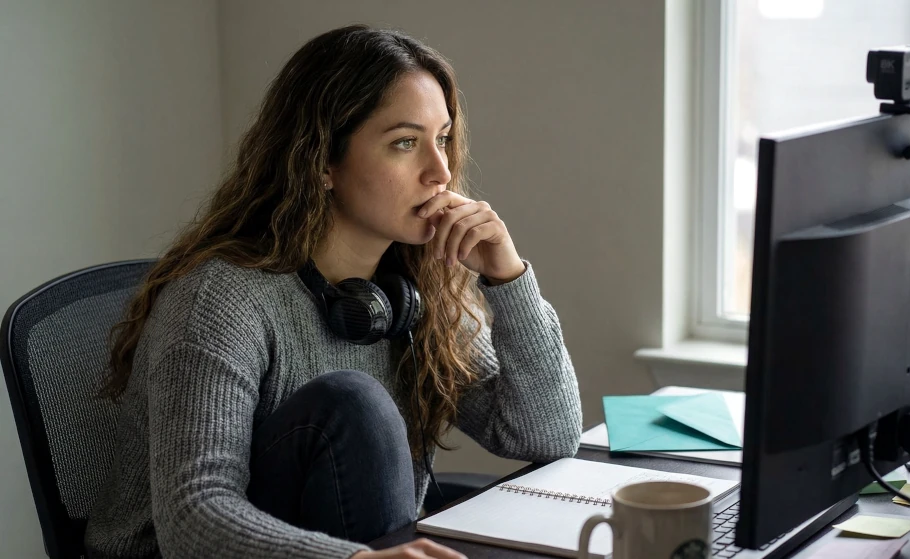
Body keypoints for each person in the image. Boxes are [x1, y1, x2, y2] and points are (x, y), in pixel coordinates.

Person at [83, 24, 582, 559]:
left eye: (443, 139)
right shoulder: (222, 299)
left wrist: (507, 278)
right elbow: (193, 515)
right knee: (353, 402)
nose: (440, 172)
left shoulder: (412, 290)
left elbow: (544, 438)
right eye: (405, 143)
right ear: (323, 161)